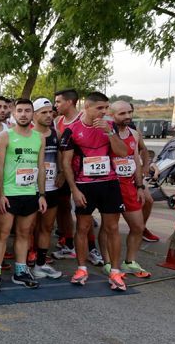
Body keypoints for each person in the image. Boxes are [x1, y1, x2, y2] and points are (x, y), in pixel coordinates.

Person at [59, 92, 129, 291]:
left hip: (109, 184)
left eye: (106, 108)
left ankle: (115, 272)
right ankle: (81, 268)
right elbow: (66, 163)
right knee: (82, 227)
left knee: (112, 228)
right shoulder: (72, 130)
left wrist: (110, 133)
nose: (104, 112)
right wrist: (74, 189)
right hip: (84, 185)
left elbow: (123, 152)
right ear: (86, 107)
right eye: (100, 108)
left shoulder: (111, 126)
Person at [0, 98, 47, 290]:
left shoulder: (39, 137)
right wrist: (0, 195)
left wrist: (41, 194)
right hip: (9, 193)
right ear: (14, 113)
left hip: (30, 192)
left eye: (27, 111)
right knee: (3, 233)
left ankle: (20, 271)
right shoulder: (5, 137)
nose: (23, 114)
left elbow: (41, 167)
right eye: (20, 110)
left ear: (33, 114)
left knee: (24, 233)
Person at [105, 101, 152, 277]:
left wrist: (140, 185)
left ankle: (130, 261)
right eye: (122, 113)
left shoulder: (134, 133)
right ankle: (108, 262)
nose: (128, 116)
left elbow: (135, 161)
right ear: (112, 115)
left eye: (130, 112)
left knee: (138, 226)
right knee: (110, 227)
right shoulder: (105, 132)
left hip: (129, 185)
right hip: (110, 184)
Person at [30, 99, 64, 280]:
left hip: (51, 187)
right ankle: (26, 260)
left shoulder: (56, 134)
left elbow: (60, 157)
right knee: (27, 228)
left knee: (47, 227)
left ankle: (40, 263)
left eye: (51, 112)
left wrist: (62, 173)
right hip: (30, 188)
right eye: (44, 112)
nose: (49, 115)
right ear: (34, 114)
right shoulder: (28, 134)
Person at [52, 89, 81, 260]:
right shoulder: (58, 121)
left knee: (83, 211)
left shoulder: (84, 119)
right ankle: (68, 241)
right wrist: (62, 171)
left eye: (58, 102)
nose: (56, 105)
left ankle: (91, 248)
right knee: (63, 207)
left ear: (69, 102)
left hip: (82, 172)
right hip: (64, 170)